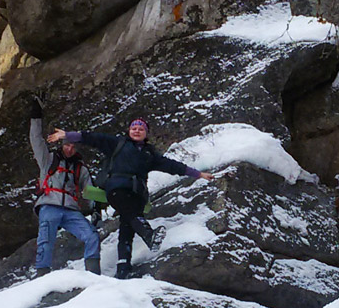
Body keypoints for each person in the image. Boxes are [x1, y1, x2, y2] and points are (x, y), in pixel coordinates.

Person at [47, 118, 214, 279]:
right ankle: (149, 236)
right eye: (134, 128)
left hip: (137, 194)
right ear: (129, 130)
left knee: (127, 230)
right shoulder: (118, 143)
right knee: (131, 215)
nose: (137, 131)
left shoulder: (149, 154)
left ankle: (123, 269)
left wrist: (198, 174)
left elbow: (172, 166)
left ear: (146, 133)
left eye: (141, 129)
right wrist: (67, 135)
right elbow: (93, 138)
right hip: (117, 189)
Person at [28, 98, 101, 275]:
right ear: (62, 144)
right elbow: (36, 140)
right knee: (45, 240)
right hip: (49, 206)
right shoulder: (49, 160)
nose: (70, 149)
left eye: (73, 146)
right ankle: (42, 275)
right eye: (67, 144)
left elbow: (90, 190)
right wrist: (36, 117)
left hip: (70, 210)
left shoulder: (80, 167)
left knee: (92, 236)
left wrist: (96, 208)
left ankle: (93, 276)